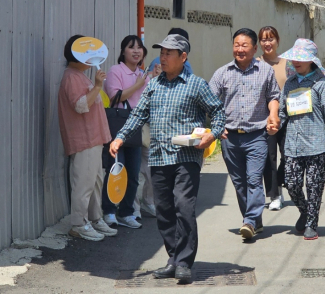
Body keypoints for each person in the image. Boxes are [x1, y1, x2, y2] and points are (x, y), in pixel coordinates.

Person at [110, 34, 226, 284]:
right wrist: (119, 137)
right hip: (159, 156)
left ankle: (184, 261)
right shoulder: (153, 85)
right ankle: (173, 258)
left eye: (168, 53)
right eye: (161, 52)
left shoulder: (196, 84)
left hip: (187, 156)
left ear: (183, 57)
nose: (162, 57)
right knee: (164, 211)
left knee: (184, 206)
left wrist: (212, 135)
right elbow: (138, 114)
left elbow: (217, 111)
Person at [209, 28, 281, 240]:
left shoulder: (265, 71)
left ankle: (249, 220)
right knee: (239, 182)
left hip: (257, 135)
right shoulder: (222, 73)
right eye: (236, 45)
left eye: (244, 45)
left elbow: (274, 96)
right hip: (229, 137)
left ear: (254, 48)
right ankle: (254, 221)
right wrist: (217, 124)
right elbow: (210, 101)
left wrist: (273, 115)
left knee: (253, 179)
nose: (240, 49)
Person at [272, 39, 325, 240]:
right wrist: (274, 124)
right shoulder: (290, 83)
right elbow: (283, 111)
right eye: (294, 58)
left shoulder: (321, 83)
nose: (296, 62)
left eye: (301, 59)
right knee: (292, 184)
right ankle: (305, 211)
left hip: (316, 144)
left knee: (314, 187)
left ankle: (312, 223)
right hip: (292, 145)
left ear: (311, 60)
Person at [58, 35, 115, 241]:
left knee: (95, 182)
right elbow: (80, 105)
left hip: (94, 138)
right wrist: (98, 86)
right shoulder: (72, 76)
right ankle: (78, 224)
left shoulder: (79, 75)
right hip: (84, 139)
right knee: (83, 183)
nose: (91, 58)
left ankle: (95, 218)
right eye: (87, 54)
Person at [102, 35, 160, 229]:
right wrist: (139, 83)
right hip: (119, 126)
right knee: (115, 170)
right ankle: (109, 211)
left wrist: (153, 78)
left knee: (133, 174)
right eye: (131, 47)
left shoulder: (143, 74)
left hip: (136, 127)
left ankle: (126, 213)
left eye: (139, 48)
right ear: (123, 51)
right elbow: (115, 97)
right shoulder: (115, 70)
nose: (136, 51)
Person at [258, 26, 287, 211]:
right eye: (263, 39)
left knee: (289, 155)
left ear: (277, 41)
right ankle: (274, 194)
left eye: (271, 39)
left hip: (288, 117)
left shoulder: (288, 63)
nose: (267, 43)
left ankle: (281, 183)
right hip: (264, 119)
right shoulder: (256, 63)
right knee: (269, 158)